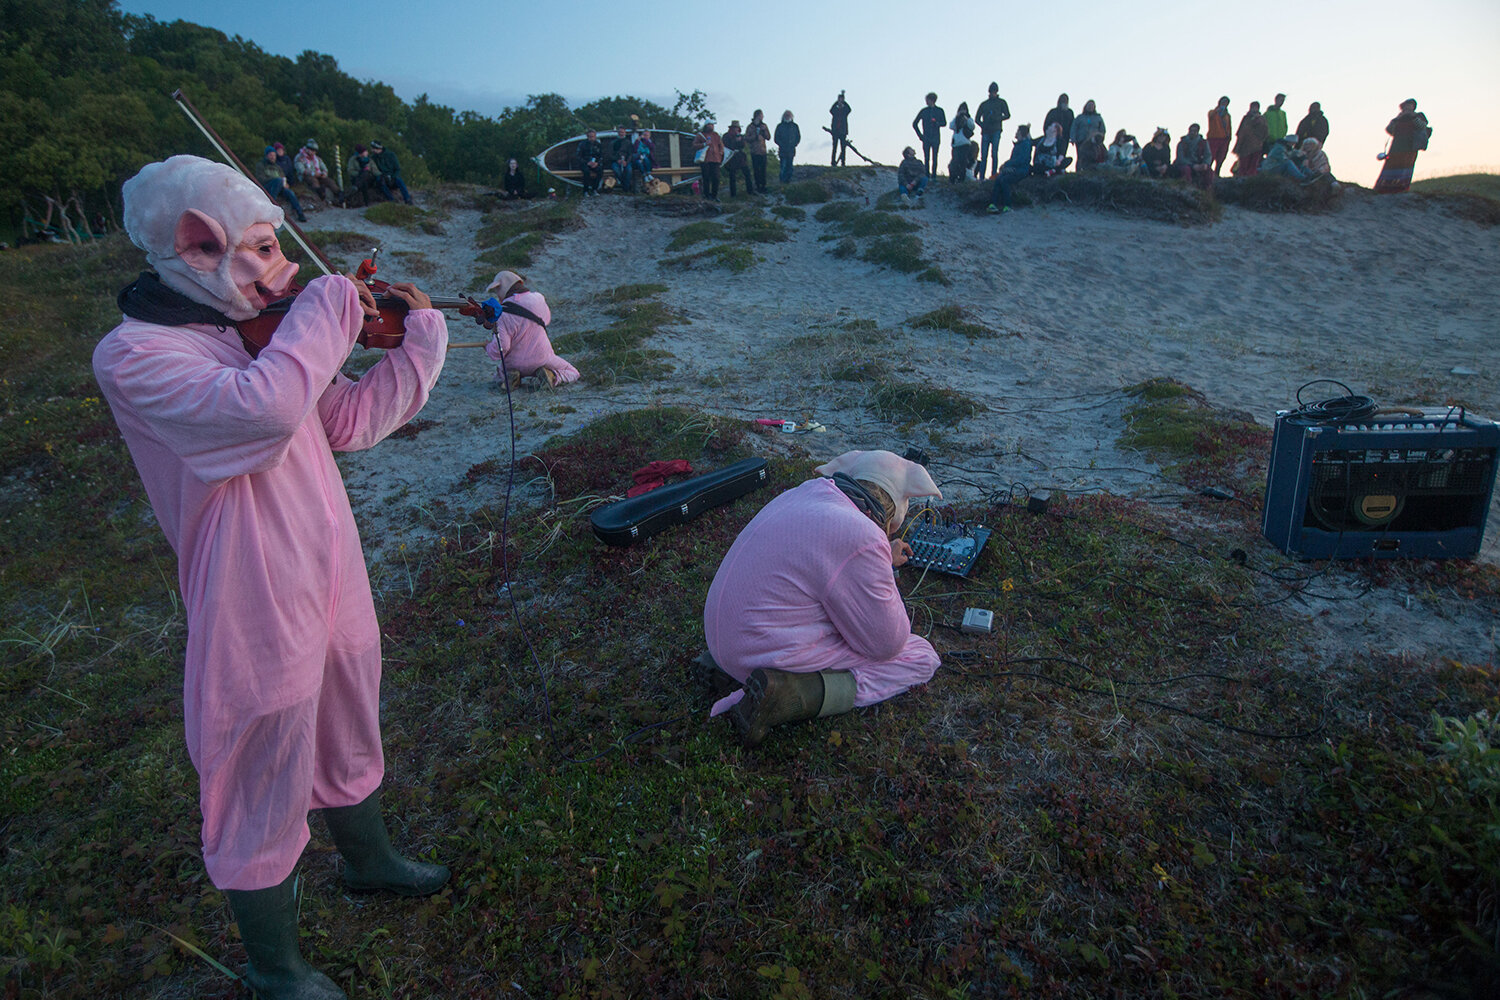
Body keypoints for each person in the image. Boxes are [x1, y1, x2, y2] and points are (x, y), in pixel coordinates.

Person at [94, 154, 450, 1000]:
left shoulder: (255, 327)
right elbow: (259, 414)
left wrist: (419, 343)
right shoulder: (136, 354)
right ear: (194, 248)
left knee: (346, 709)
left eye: (275, 242)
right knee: (258, 754)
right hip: (248, 585)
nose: (281, 266)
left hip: (328, 561)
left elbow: (347, 420)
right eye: (257, 248)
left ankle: (369, 861)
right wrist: (325, 310)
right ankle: (275, 966)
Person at [700, 450, 943, 747]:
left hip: (721, 637)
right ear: (895, 510)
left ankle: (732, 671)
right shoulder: (860, 535)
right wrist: (881, 567)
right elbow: (887, 642)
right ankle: (793, 692)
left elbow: (830, 555)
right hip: (754, 648)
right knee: (919, 655)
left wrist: (881, 556)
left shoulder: (807, 493)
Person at [481, 270, 579, 389]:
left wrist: (488, 347)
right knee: (572, 372)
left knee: (498, 376)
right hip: (542, 357)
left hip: (513, 362)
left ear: (501, 289)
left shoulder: (502, 313)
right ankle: (553, 375)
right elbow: (546, 320)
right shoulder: (538, 299)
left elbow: (502, 347)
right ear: (520, 283)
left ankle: (511, 377)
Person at [1374, 99, 1429, 194]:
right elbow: (1389, 129)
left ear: (1413, 106)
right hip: (1396, 147)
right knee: (1390, 166)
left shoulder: (1419, 116)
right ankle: (1383, 187)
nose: (1406, 107)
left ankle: (1401, 188)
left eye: (1409, 105)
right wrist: (1397, 118)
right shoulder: (1398, 118)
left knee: (1406, 166)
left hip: (1410, 147)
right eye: (1405, 106)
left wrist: (1412, 117)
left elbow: (1422, 127)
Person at [987, 125, 1034, 213]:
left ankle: (1007, 205)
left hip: (1022, 170)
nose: (1016, 133)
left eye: (1018, 131)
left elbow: (1021, 160)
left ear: (1021, 133)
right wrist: (1007, 166)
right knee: (999, 179)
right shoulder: (1018, 145)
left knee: (1005, 180)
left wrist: (1007, 165)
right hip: (1015, 168)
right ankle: (993, 204)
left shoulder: (1026, 144)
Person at [257, 145, 306, 221]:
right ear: (266, 156)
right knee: (278, 180)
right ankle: (272, 205)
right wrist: (276, 180)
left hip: (279, 187)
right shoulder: (261, 165)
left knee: (289, 193)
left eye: (274, 155)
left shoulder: (277, 167)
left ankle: (300, 213)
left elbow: (283, 177)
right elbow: (261, 179)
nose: (273, 157)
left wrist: (285, 183)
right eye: (270, 155)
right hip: (267, 187)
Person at [974, 82, 1011, 179]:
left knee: (994, 154)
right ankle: (981, 177)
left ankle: (993, 176)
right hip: (986, 131)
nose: (992, 93)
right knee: (984, 155)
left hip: (996, 130)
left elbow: (1007, 115)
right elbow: (977, 118)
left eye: (994, 92)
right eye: (991, 92)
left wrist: (997, 118)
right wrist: (983, 125)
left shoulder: (1001, 102)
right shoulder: (984, 104)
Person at [911, 92, 947, 178]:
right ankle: (927, 175)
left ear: (932, 100)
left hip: (935, 137)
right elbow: (914, 124)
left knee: (935, 157)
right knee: (926, 158)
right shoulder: (924, 111)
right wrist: (920, 136)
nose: (926, 102)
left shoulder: (939, 111)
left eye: (927, 100)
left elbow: (944, 123)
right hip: (926, 137)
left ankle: (934, 176)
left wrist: (937, 123)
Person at [294, 140, 338, 206]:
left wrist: (324, 173)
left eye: (314, 150)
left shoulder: (317, 159)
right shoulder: (300, 157)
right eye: (311, 150)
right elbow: (301, 170)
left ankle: (338, 194)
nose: (312, 152)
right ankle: (319, 194)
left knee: (330, 181)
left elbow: (324, 168)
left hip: (319, 176)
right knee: (313, 181)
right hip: (306, 177)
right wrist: (313, 173)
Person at [1232, 101, 1268, 176]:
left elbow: (1265, 132)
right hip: (1245, 145)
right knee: (1243, 165)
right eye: (1252, 107)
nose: (1254, 109)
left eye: (1256, 107)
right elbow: (1240, 132)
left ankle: (1250, 179)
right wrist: (1238, 145)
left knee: (1253, 165)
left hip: (1256, 146)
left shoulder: (1261, 119)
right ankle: (1241, 177)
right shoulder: (1246, 118)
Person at [1173, 124, 1214, 188]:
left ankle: (1207, 188)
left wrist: (1205, 164)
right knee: (1186, 170)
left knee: (1209, 171)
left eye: (1194, 131)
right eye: (1191, 130)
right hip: (1185, 164)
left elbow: (1208, 155)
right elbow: (1180, 158)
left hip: (1199, 163)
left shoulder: (1203, 142)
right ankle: (1188, 187)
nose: (1192, 132)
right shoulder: (1182, 143)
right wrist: (1192, 166)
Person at [1043, 95, 1075, 172]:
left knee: (1062, 154)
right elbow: (1046, 124)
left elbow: (1072, 125)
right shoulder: (1053, 112)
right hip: (1053, 137)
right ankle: (1051, 168)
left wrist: (1072, 137)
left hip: (1065, 137)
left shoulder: (1069, 112)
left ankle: (1060, 168)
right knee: (1053, 153)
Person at [722, 121, 754, 198]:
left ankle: (750, 191)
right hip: (730, 157)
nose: (736, 130)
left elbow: (743, 145)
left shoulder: (740, 136)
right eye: (735, 128)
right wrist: (734, 141)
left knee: (747, 173)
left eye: (737, 128)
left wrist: (739, 141)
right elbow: (726, 145)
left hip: (740, 157)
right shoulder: (726, 136)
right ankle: (733, 194)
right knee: (732, 176)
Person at [694, 120, 724, 201]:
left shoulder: (716, 135)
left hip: (716, 160)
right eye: (711, 124)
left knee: (716, 178)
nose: (712, 126)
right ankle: (706, 196)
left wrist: (720, 153)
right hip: (705, 160)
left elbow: (721, 145)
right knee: (706, 178)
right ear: (706, 125)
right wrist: (704, 144)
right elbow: (694, 145)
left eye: (713, 125)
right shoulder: (701, 135)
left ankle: (714, 196)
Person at [1070, 100, 1105, 168]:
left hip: (1094, 141)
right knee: (1080, 157)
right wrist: (1073, 138)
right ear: (1085, 106)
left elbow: (1102, 130)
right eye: (1089, 105)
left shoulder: (1098, 118)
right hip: (1081, 140)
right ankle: (1078, 172)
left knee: (1094, 156)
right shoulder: (1079, 117)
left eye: (1092, 106)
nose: (1090, 107)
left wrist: (1100, 138)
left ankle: (1090, 170)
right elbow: (1074, 128)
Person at [948, 102, 975, 182]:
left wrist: (966, 118)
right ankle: (953, 178)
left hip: (965, 143)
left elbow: (972, 126)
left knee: (963, 162)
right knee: (955, 162)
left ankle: (961, 179)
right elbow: (951, 126)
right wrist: (957, 116)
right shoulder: (956, 119)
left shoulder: (969, 119)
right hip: (956, 144)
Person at [1206, 96, 1233, 176]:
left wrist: (1229, 137)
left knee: (1221, 157)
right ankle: (1207, 173)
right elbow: (1210, 116)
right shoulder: (1212, 112)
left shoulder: (1227, 115)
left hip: (1224, 139)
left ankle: (1217, 173)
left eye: (1226, 103)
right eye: (1223, 102)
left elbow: (1229, 127)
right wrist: (1217, 110)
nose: (1224, 104)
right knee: (1211, 156)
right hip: (1213, 137)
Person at [747, 110, 771, 193]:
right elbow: (747, 138)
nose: (762, 117)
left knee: (763, 169)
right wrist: (755, 136)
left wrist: (764, 131)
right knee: (756, 170)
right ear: (757, 116)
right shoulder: (750, 127)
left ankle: (763, 186)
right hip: (754, 151)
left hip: (763, 151)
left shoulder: (764, 126)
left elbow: (768, 137)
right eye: (761, 115)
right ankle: (757, 186)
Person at [774, 110, 800, 184]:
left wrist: (794, 144)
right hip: (782, 150)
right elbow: (776, 138)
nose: (788, 116)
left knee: (790, 167)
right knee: (783, 166)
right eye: (786, 115)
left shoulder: (795, 126)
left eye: (789, 115)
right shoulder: (780, 126)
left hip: (791, 150)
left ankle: (788, 181)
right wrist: (782, 144)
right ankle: (782, 182)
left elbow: (798, 137)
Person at [576, 129, 604, 195]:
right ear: (587, 136)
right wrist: (586, 162)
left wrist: (597, 163)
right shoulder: (582, 144)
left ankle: (594, 189)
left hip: (594, 163)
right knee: (586, 172)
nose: (592, 138)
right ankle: (585, 190)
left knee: (600, 171)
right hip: (585, 163)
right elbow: (578, 156)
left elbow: (601, 156)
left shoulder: (598, 145)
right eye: (590, 137)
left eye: (593, 136)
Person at [610, 125, 636, 193]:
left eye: (622, 132)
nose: (621, 133)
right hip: (616, 161)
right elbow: (610, 154)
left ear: (625, 133)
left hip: (626, 161)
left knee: (629, 170)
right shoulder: (613, 143)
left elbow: (630, 154)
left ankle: (626, 189)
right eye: (620, 132)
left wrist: (626, 162)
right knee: (616, 170)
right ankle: (625, 186)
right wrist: (617, 160)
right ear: (618, 133)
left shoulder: (628, 142)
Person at [829, 91, 852, 166]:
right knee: (834, 147)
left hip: (843, 131)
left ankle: (843, 162)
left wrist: (844, 102)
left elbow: (849, 109)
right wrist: (837, 102)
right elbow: (831, 110)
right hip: (835, 131)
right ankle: (833, 162)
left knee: (843, 148)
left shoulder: (845, 111)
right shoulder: (835, 111)